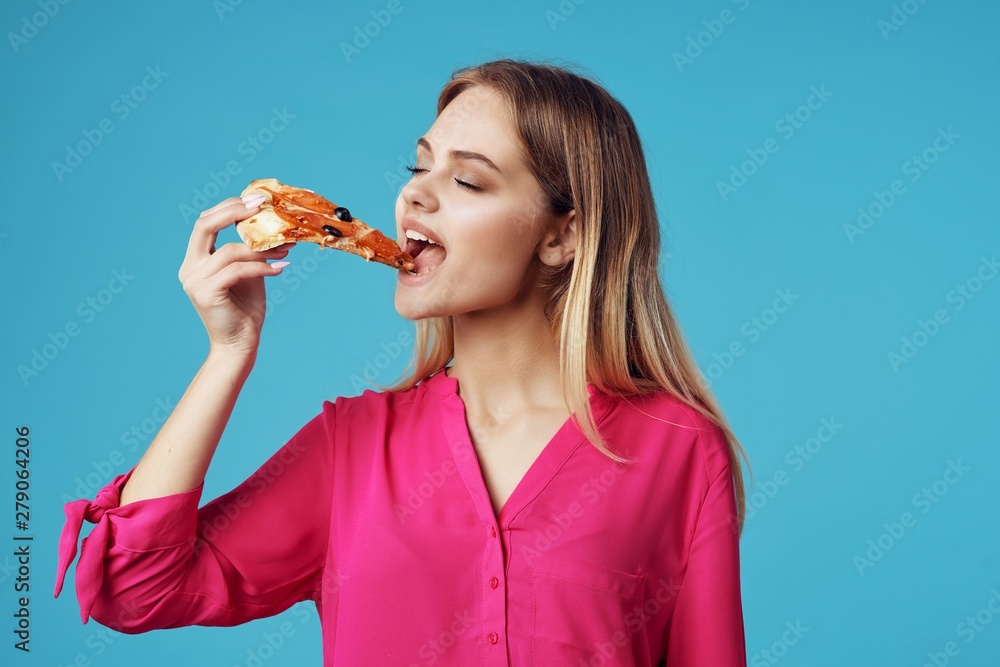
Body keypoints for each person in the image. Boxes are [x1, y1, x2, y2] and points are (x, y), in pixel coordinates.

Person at [55, 58, 752, 666]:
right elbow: (132, 586)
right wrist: (227, 354)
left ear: (561, 236)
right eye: (419, 166)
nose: (414, 194)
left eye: (469, 182)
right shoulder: (350, 448)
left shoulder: (680, 450)